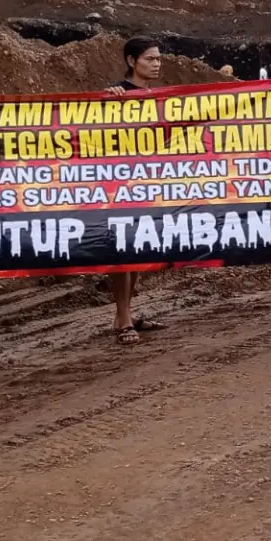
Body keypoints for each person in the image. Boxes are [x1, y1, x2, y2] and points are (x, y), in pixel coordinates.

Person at [102, 37, 166, 344]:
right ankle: (123, 318)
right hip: (119, 182)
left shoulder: (160, 97)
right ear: (132, 61)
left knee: (138, 249)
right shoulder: (116, 94)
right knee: (122, 251)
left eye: (158, 59)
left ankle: (124, 315)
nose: (156, 64)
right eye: (150, 59)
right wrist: (108, 101)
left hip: (147, 182)